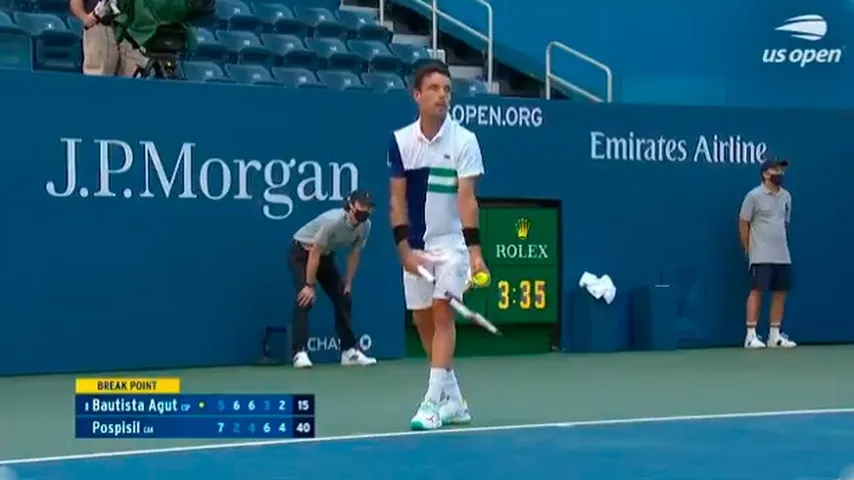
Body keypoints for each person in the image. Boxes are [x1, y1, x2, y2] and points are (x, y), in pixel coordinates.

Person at [387, 60, 489, 430]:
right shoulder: (400, 141)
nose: (442, 96)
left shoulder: (465, 141)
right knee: (421, 319)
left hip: (452, 246)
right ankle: (456, 401)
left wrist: (475, 252)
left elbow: (467, 199)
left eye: (447, 89)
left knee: (442, 311)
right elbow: (397, 201)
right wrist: (404, 250)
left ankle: (431, 404)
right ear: (417, 95)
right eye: (434, 89)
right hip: (415, 246)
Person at [288, 190, 378, 368]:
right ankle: (299, 353)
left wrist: (348, 282)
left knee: (343, 297)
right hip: (302, 253)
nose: (365, 210)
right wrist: (309, 285)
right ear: (351, 205)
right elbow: (314, 252)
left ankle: (349, 352)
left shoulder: (365, 226)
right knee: (305, 299)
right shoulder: (333, 221)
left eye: (369, 207)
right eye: (362, 205)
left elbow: (354, 254)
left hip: (324, 256)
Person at [738, 159, 797, 349]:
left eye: (781, 170)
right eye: (775, 169)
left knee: (780, 293)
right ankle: (751, 336)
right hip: (760, 254)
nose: (780, 172)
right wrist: (748, 248)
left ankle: (774, 335)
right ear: (765, 174)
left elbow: (785, 224)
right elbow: (743, 222)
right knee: (757, 291)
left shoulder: (787, 196)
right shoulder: (753, 196)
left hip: (782, 254)